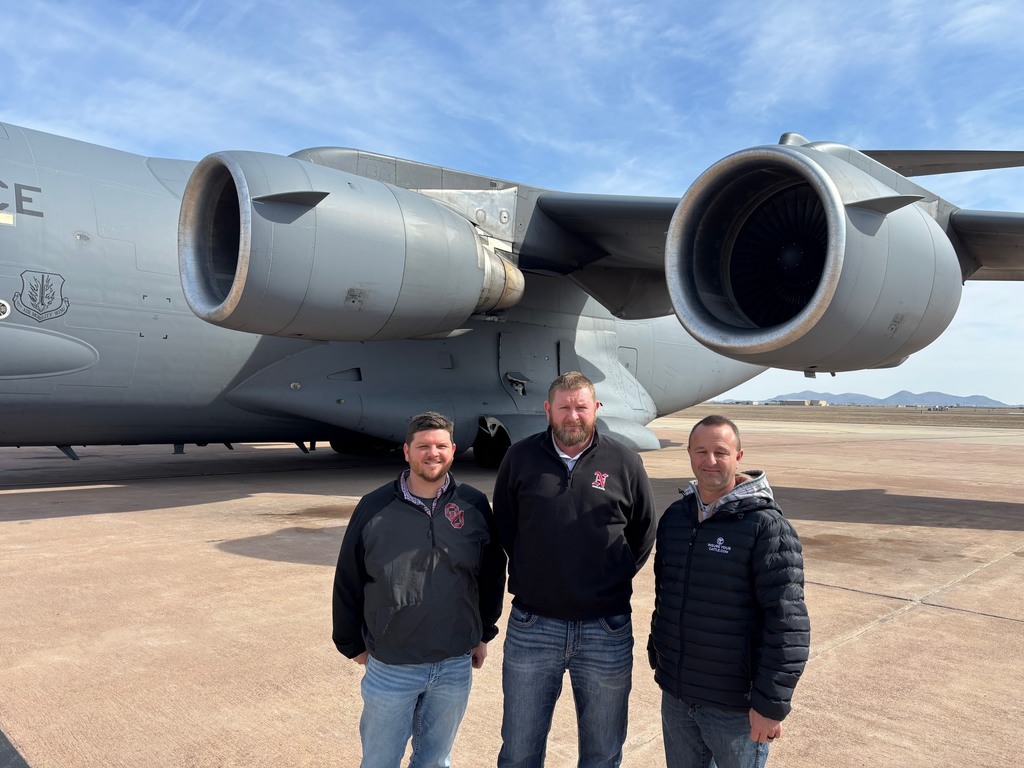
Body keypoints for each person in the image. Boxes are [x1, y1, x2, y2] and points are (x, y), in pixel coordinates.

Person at [492, 371, 658, 767]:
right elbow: (506, 527)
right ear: (548, 410)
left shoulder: (625, 461)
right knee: (518, 752)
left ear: (596, 409)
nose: (573, 416)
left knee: (602, 752)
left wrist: (606, 580)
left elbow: (643, 532)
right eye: (564, 407)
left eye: (581, 407)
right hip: (533, 627)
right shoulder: (520, 458)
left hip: (606, 629)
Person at [332, 411, 507, 768]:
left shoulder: (472, 504)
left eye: (441, 446)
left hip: (454, 662)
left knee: (435, 761)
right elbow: (348, 579)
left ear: (453, 450)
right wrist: (352, 644)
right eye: (423, 446)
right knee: (379, 761)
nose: (433, 453)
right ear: (407, 452)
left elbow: (491, 574)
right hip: (393, 666)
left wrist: (484, 631)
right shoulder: (374, 507)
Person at [648, 415, 810, 768]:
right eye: (701, 451)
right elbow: (666, 595)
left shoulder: (766, 527)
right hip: (677, 697)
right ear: (689, 454)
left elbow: (788, 624)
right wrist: (658, 651)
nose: (710, 461)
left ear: (738, 457)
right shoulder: (676, 518)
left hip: (734, 708)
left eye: (720, 452)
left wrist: (770, 705)